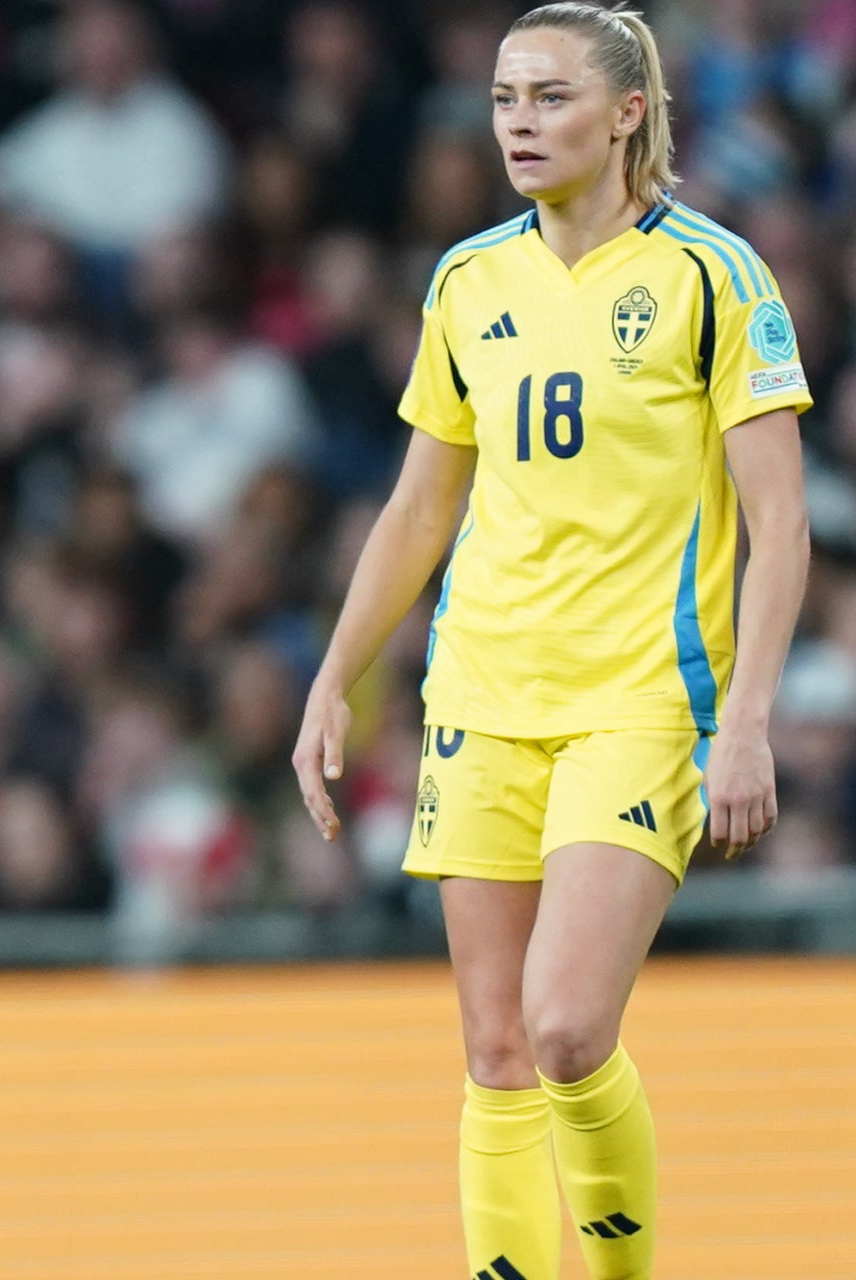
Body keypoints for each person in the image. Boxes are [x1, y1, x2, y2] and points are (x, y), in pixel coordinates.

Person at [291, 6, 812, 1277]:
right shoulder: (471, 282)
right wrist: (333, 677)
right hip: (482, 685)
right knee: (495, 1048)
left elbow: (779, 522)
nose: (517, 124)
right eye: (503, 99)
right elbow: (423, 503)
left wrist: (745, 717)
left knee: (569, 1026)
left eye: (550, 98)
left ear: (628, 112)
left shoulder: (712, 277)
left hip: (641, 699)